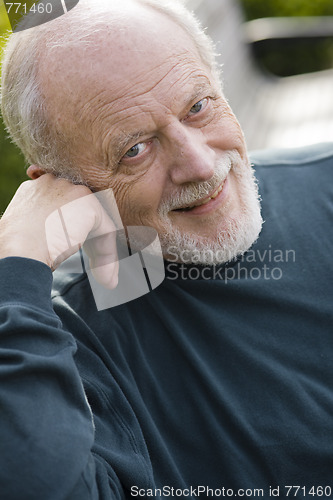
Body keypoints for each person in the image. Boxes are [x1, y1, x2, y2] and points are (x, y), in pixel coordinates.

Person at [0, 0, 332, 498]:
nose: (198, 164)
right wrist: (15, 265)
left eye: (198, 106)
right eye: (134, 149)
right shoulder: (70, 348)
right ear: (64, 186)